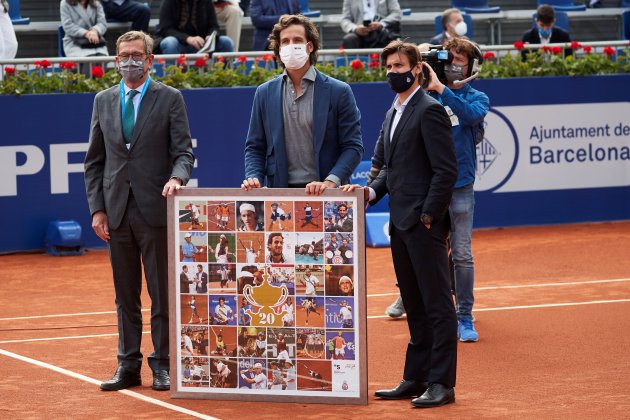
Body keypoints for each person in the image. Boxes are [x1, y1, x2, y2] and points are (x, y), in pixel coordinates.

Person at [344, 40, 458, 407]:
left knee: (438, 305)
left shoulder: (429, 110)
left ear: (417, 69)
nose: (393, 72)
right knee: (413, 302)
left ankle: (442, 383)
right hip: (400, 224)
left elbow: (445, 171)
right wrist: (370, 194)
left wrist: (428, 216)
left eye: (398, 66)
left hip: (423, 226)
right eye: (389, 67)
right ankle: (416, 377)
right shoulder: (394, 111)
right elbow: (391, 170)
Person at [84, 31, 194, 392]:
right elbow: (95, 162)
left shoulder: (170, 99)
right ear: (116, 61)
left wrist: (177, 179)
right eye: (123, 55)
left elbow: (183, 153)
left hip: (156, 209)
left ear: (150, 60)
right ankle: (127, 366)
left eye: (137, 55)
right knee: (124, 295)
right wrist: (97, 210)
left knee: (161, 294)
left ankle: (162, 364)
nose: (130, 61)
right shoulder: (102, 100)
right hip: (116, 212)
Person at [242, 14, 363, 195]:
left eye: (297, 40)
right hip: (281, 194)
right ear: (279, 48)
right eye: (285, 41)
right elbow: (255, 147)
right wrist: (254, 177)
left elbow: (353, 146)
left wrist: (331, 181)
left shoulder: (339, 91)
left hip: (327, 193)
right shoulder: (264, 92)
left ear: (310, 46)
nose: (291, 45)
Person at [157, 0, 234, 55]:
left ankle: (223, 77)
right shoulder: (169, 2)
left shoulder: (206, 2)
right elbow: (165, 29)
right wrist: (187, 39)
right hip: (179, 44)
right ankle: (173, 76)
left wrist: (211, 36)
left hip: (203, 44)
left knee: (226, 42)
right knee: (169, 42)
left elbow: (214, 26)